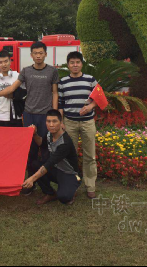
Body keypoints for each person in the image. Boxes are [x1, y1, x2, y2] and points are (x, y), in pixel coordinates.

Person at [0, 41, 59, 194]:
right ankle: (30, 184)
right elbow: (12, 88)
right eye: (35, 53)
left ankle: (46, 186)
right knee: (30, 151)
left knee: (46, 150)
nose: (38, 56)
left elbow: (55, 93)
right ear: (31, 55)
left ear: (45, 54)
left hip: (45, 115)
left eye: (41, 53)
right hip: (29, 114)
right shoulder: (26, 71)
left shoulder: (52, 71)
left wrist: (55, 115)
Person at [58, 51, 98, 199]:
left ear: (82, 64)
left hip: (88, 122)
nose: (75, 65)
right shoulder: (63, 82)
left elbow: (99, 98)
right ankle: (72, 185)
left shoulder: (90, 80)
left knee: (90, 155)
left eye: (77, 62)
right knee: (70, 156)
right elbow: (60, 103)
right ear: (68, 65)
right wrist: (61, 122)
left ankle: (90, 186)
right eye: (72, 62)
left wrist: (90, 106)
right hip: (70, 122)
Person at [22, 109, 81, 205]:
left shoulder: (65, 142)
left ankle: (73, 188)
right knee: (34, 164)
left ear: (61, 123)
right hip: (56, 169)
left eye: (54, 121)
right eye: (48, 121)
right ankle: (50, 193)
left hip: (69, 173)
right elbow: (41, 143)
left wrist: (32, 179)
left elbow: (49, 164)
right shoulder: (50, 134)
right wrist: (35, 134)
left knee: (64, 197)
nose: (51, 125)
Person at [0, 50, 23, 127]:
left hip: (16, 116)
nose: (3, 64)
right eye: (0, 62)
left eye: (6, 61)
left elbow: (23, 95)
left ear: (10, 61)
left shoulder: (18, 76)